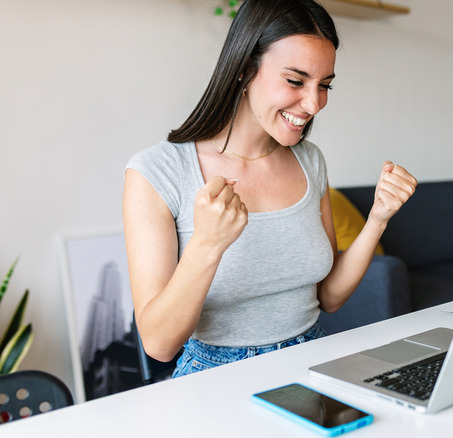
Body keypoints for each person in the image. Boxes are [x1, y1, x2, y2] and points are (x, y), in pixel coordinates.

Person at [123, 0, 416, 377]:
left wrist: (378, 218)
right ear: (245, 68)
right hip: (214, 376)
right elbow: (159, 345)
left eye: (324, 85)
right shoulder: (156, 172)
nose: (313, 103)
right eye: (295, 81)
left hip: (311, 360)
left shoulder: (309, 160)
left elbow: (329, 297)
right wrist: (207, 244)